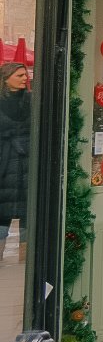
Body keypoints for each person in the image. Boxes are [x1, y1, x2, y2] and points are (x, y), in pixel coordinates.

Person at [0, 63, 30, 266]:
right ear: (6, 78)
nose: (24, 78)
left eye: (25, 75)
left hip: (27, 163)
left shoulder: (31, 100)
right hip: (4, 162)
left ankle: (24, 262)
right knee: (2, 216)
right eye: (19, 75)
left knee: (28, 214)